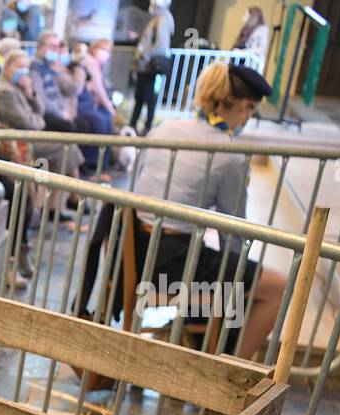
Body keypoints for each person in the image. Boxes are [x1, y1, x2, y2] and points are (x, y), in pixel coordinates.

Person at [129, 63, 285, 358]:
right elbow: (233, 230)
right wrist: (239, 272)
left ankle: (206, 343)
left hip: (136, 251)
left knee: (231, 273)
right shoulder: (227, 152)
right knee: (277, 287)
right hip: (172, 266)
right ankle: (227, 374)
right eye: (249, 109)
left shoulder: (163, 128)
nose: (247, 118)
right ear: (241, 106)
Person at [0, 50, 83, 178]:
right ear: (6, 67)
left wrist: (31, 93)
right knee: (65, 148)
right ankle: (73, 193)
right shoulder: (4, 91)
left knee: (69, 145)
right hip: (16, 140)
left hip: (29, 134)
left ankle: (70, 193)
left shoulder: (18, 86)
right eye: (19, 67)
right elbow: (25, 122)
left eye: (25, 67)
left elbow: (41, 110)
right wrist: (41, 121)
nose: (23, 71)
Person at [130, 0, 173, 135]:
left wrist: (143, 56)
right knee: (141, 98)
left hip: (149, 68)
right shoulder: (157, 18)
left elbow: (160, 45)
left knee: (149, 99)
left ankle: (147, 127)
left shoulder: (163, 19)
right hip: (145, 67)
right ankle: (133, 125)